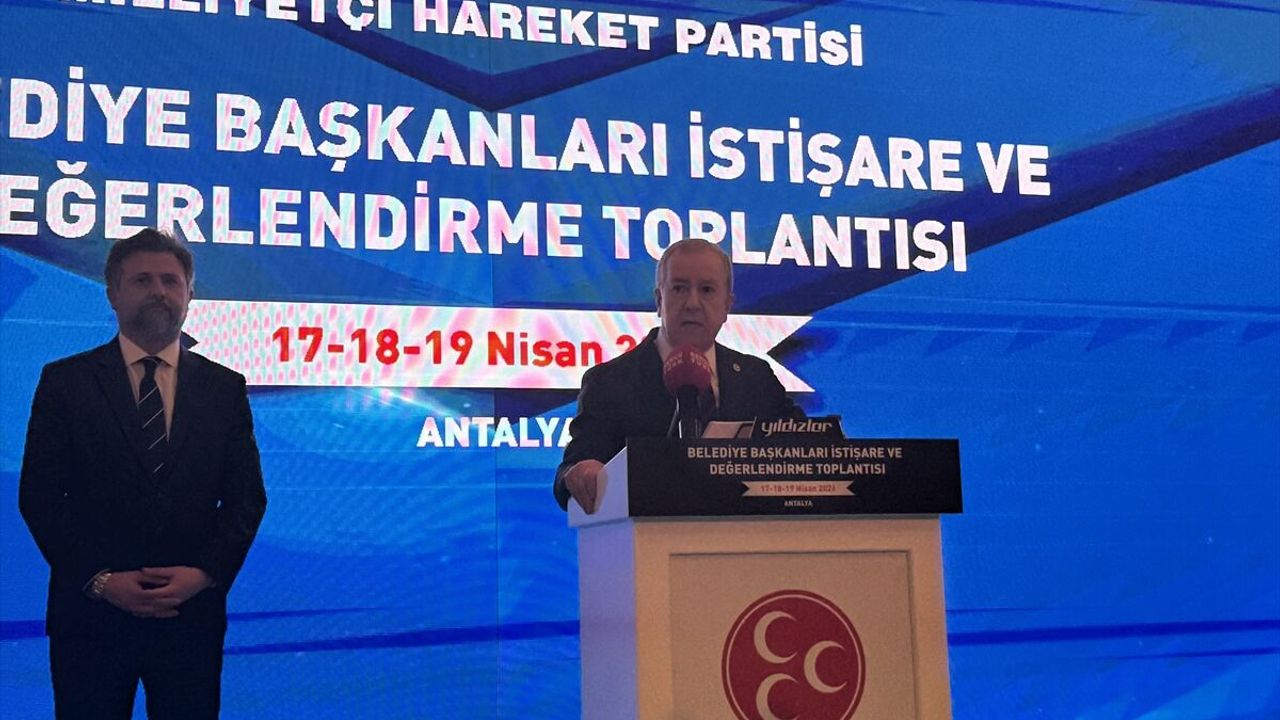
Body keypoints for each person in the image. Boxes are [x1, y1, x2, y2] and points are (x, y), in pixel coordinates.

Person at [18, 228, 268, 719]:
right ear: (113, 293)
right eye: (142, 280)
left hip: (189, 621)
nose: (159, 292)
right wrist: (100, 580)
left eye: (171, 281)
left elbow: (246, 499)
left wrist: (204, 573)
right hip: (91, 620)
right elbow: (40, 497)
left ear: (189, 295)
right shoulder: (65, 382)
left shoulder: (224, 388)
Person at [554, 238, 802, 512]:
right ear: (659, 300)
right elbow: (574, 468)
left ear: (726, 306)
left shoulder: (756, 378)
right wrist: (580, 472)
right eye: (679, 288)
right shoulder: (609, 382)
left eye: (707, 290)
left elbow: (807, 449)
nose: (692, 303)